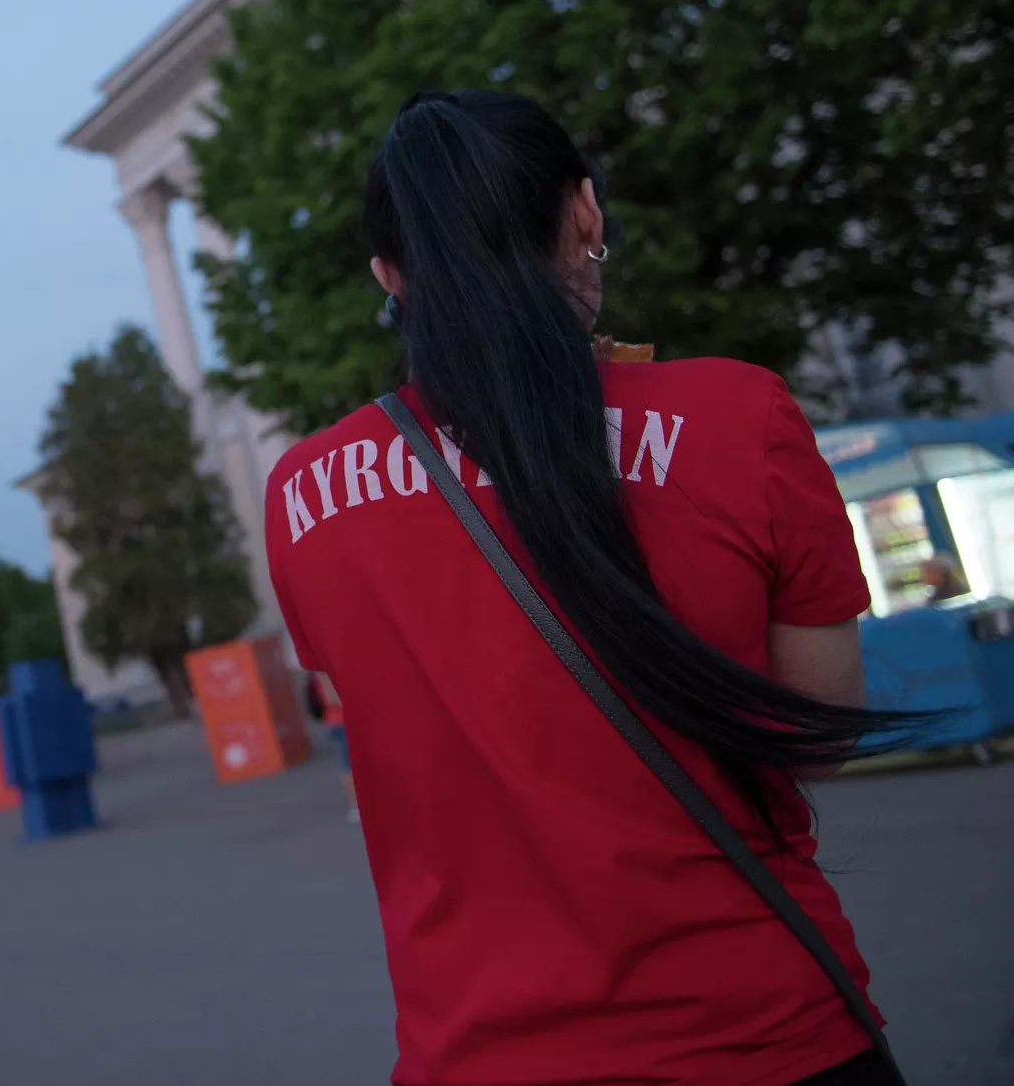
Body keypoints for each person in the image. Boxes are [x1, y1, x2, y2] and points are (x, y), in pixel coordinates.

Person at [265, 91, 915, 1086]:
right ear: (585, 213)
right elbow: (816, 737)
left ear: (390, 276)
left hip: (478, 1055)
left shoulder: (302, 497)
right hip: (766, 1036)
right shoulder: (741, 417)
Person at [306, 672, 357, 823]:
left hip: (337, 721)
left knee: (352, 764)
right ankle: (355, 806)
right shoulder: (324, 673)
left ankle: (357, 804)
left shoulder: (322, 672)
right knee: (350, 765)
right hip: (341, 721)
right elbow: (331, 698)